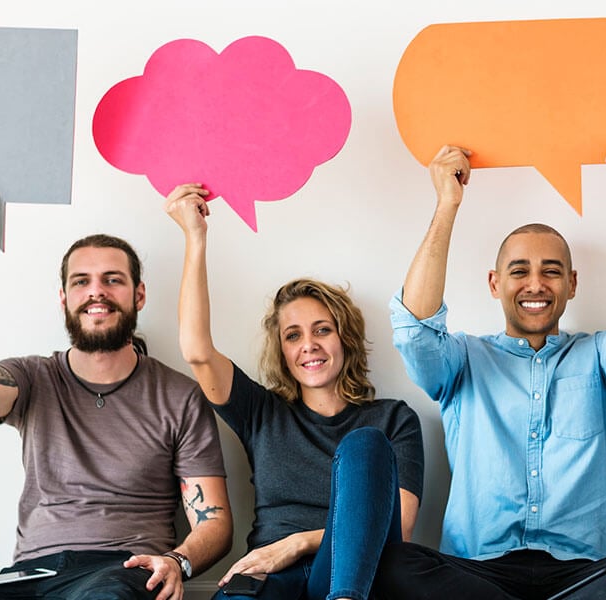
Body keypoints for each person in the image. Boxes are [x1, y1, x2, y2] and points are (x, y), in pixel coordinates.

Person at [375, 143, 606, 599]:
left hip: (584, 575)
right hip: (478, 573)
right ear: (495, 284)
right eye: (520, 271)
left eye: (551, 271)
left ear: (572, 284)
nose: (535, 284)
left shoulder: (600, 359)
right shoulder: (461, 360)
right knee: (390, 558)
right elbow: (414, 330)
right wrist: (447, 204)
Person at [0, 168, 233, 600]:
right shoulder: (33, 380)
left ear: (139, 295)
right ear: (64, 299)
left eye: (112, 280)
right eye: (81, 282)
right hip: (29, 575)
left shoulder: (177, 395)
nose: (96, 292)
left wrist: (176, 561)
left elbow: (214, 522)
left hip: (121, 571)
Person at [164, 184, 424, 600]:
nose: (309, 345)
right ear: (282, 351)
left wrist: (298, 542)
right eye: (293, 335)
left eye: (322, 330)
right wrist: (195, 237)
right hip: (268, 575)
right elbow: (197, 352)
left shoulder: (394, 419)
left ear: (346, 339)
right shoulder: (261, 412)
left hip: (349, 573)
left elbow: (401, 525)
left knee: (365, 445)